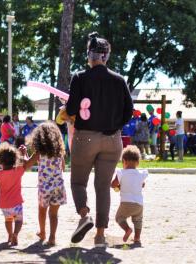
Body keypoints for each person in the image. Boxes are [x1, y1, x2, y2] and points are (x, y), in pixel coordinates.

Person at [66, 32, 133, 247]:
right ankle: (100, 235)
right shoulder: (119, 80)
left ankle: (85, 215)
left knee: (78, 182)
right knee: (103, 187)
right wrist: (114, 126)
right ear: (106, 56)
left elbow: (72, 108)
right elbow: (129, 111)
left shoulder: (80, 78)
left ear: (90, 55)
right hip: (112, 139)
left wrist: (66, 109)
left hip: (85, 137)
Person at [26, 122, 67, 246]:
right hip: (58, 186)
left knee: (42, 210)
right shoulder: (59, 153)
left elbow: (27, 166)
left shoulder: (39, 153)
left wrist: (24, 155)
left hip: (44, 187)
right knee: (54, 214)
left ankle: (43, 232)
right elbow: (63, 168)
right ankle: (52, 237)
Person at [0, 143, 38, 246]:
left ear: (1, 162)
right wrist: (22, 154)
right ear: (14, 160)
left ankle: (10, 235)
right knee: (18, 220)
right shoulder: (18, 171)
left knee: (8, 220)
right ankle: (15, 234)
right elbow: (27, 163)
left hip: (4, 204)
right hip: (16, 203)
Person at [111, 145, 147, 244]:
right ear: (138, 162)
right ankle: (137, 238)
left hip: (126, 203)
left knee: (119, 218)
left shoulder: (121, 172)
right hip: (139, 204)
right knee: (138, 220)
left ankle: (127, 229)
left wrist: (117, 186)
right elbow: (142, 184)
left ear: (124, 161)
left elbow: (113, 184)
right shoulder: (141, 174)